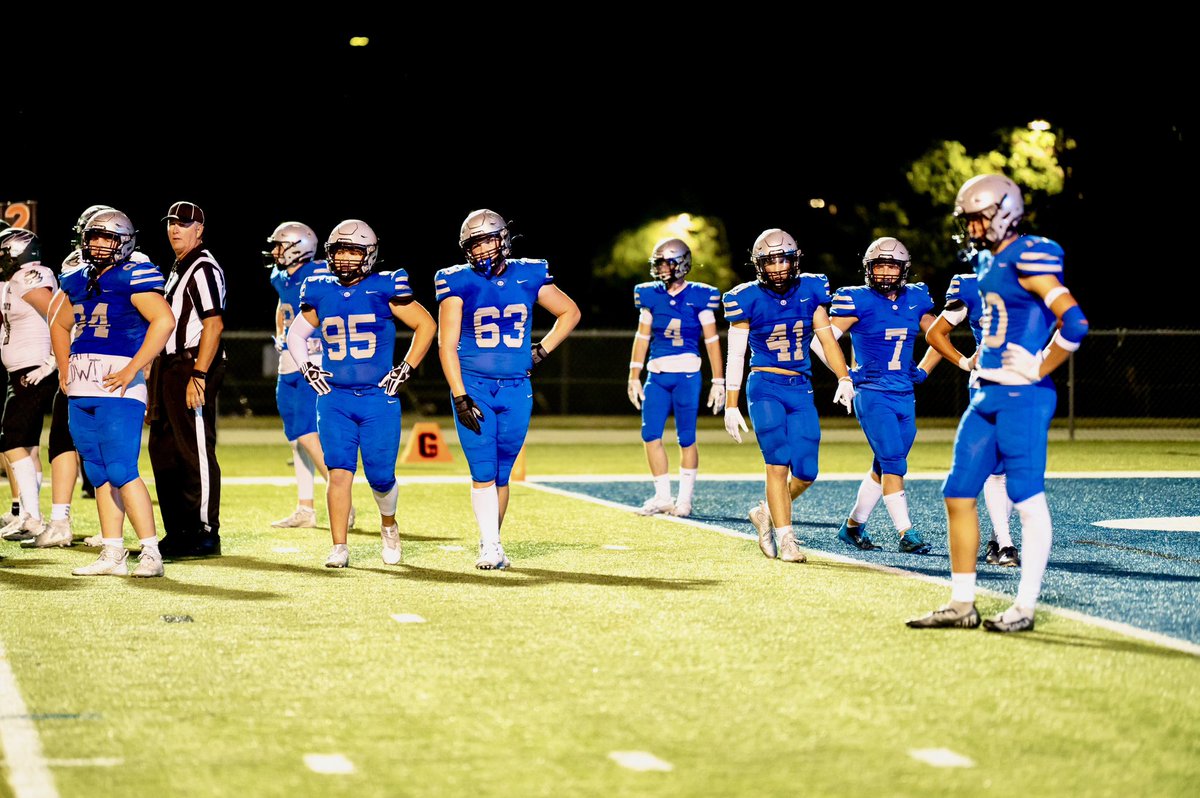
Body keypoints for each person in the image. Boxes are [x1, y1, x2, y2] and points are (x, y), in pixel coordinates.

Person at [908, 173, 1088, 633]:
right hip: (986, 390)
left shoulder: (1031, 255)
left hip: (1023, 395)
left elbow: (1075, 321)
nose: (971, 228)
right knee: (957, 492)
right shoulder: (989, 261)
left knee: (1026, 497)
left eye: (977, 218)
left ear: (1005, 211)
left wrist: (1040, 365)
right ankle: (962, 603)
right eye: (967, 220)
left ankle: (1024, 607)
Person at [287, 219, 436, 568]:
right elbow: (296, 335)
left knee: (381, 476)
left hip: (377, 397)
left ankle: (388, 525)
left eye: (353, 251)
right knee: (339, 470)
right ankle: (339, 546)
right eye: (340, 251)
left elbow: (426, 325)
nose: (345, 258)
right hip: (335, 397)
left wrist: (407, 367)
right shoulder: (319, 289)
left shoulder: (384, 287)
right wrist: (307, 366)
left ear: (369, 254)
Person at [436, 209, 580, 570]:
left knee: (502, 472)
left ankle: (492, 542)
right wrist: (459, 393)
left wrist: (542, 349)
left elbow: (570, 313)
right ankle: (490, 546)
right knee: (482, 468)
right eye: (475, 243)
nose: (482, 249)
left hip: (517, 387)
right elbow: (446, 344)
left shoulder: (529, 273)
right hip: (475, 386)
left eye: (487, 240)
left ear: (503, 239)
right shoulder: (456, 281)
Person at [50, 208, 175, 577]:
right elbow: (58, 323)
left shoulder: (134, 275)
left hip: (118, 387)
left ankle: (151, 552)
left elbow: (164, 320)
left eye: (107, 238)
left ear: (124, 242)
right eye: (94, 237)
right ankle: (112, 552)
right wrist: (62, 367)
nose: (99, 245)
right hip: (82, 387)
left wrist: (134, 367)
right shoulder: (76, 278)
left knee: (121, 469)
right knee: (98, 471)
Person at [722, 228, 853, 564]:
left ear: (796, 260)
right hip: (765, 385)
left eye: (783, 259)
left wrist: (843, 377)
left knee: (807, 471)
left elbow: (826, 339)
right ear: (758, 264)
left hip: (801, 387)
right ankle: (787, 538)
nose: (778, 267)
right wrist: (731, 403)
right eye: (770, 260)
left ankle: (766, 512)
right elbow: (736, 355)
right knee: (777, 464)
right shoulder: (746, 297)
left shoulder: (811, 289)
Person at [819, 237, 940, 554]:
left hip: (904, 391)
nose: (886, 273)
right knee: (894, 462)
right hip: (872, 392)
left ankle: (852, 527)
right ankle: (906, 533)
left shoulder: (916, 298)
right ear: (868, 269)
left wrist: (924, 369)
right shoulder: (856, 300)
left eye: (892, 266)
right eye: (880, 266)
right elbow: (822, 341)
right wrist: (844, 374)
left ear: (904, 269)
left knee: (883, 465)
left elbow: (939, 335)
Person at [263, 221, 355, 529]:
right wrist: (279, 330)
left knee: (306, 430)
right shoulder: (280, 276)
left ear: (299, 248)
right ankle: (306, 508)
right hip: (287, 361)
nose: (276, 251)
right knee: (295, 438)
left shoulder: (319, 274)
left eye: (281, 245)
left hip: (311, 358)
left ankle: (344, 500)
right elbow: (282, 305)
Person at [926, 269, 1020, 567]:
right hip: (988, 383)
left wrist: (1040, 360)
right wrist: (965, 361)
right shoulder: (970, 284)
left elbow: (1060, 324)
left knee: (1016, 468)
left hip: (1023, 383)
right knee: (995, 468)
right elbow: (935, 332)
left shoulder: (1033, 276)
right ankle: (1006, 544)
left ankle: (997, 539)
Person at [148, 201, 226, 559]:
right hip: (169, 367)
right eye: (171, 223)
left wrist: (199, 374)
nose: (175, 229)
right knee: (163, 450)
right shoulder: (178, 269)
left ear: (200, 229)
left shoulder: (203, 268)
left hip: (192, 364)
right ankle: (178, 529)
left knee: (193, 449)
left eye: (183, 223)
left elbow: (213, 324)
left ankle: (205, 530)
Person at [626, 237, 724, 517]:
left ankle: (684, 499)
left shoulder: (700, 296)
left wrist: (718, 380)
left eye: (666, 263)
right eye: (658, 263)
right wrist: (634, 374)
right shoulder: (649, 295)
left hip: (687, 374)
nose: (661, 269)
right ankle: (663, 497)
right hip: (656, 374)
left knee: (687, 437)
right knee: (650, 434)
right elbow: (642, 337)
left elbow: (712, 340)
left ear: (682, 264)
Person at [0, 229, 58, 542]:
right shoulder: (13, 281)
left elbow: (60, 316)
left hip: (32, 370)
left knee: (10, 440)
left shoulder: (30, 277)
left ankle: (33, 518)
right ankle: (27, 516)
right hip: (20, 370)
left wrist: (51, 362)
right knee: (30, 446)